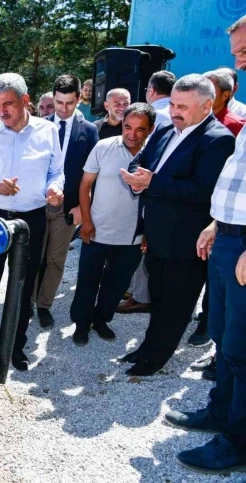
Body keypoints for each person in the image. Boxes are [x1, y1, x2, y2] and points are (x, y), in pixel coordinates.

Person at [164, 16, 246, 473]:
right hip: (229, 236)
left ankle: (237, 440)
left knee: (242, 347)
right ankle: (220, 413)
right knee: (224, 337)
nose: (236, 60)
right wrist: (218, 223)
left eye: (244, 52)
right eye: (236, 51)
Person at [118, 74, 235, 376]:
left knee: (175, 305)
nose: (174, 112)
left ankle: (154, 360)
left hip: (186, 242)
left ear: (207, 105)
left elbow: (204, 191)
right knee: (158, 299)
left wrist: (153, 182)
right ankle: (147, 349)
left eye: (182, 106)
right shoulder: (166, 129)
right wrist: (135, 178)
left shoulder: (218, 140)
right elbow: (140, 160)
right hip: (156, 236)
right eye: (172, 104)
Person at [0, 73, 64, 371]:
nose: (2, 111)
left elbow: (56, 171)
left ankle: (15, 347)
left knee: (22, 285)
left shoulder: (48, 131)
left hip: (31, 220)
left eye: (8, 103)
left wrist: (56, 188)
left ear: (25, 100)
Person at [70, 103, 155, 345]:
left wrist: (148, 232)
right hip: (97, 231)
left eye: (140, 129)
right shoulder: (104, 147)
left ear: (150, 129)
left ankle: (101, 319)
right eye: (128, 126)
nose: (132, 134)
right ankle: (82, 324)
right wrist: (86, 221)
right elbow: (85, 186)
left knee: (117, 284)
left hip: (133, 236)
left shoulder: (154, 153)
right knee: (88, 280)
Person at [34, 75, 99, 329]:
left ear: (79, 99)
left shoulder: (90, 131)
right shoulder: (40, 126)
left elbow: (92, 174)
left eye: (69, 103)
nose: (63, 109)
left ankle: (43, 305)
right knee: (34, 256)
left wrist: (83, 208)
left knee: (56, 258)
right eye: (58, 102)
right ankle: (26, 302)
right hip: (39, 204)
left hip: (69, 207)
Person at [119, 71, 177, 317]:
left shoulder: (159, 119)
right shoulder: (170, 121)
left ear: (151, 90)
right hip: (156, 194)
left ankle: (141, 296)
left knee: (144, 246)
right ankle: (136, 291)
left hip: (153, 196)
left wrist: (140, 180)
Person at [204, 69, 246, 137]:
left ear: (225, 95)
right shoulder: (194, 118)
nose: (203, 95)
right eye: (202, 90)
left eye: (210, 90)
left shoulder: (238, 125)